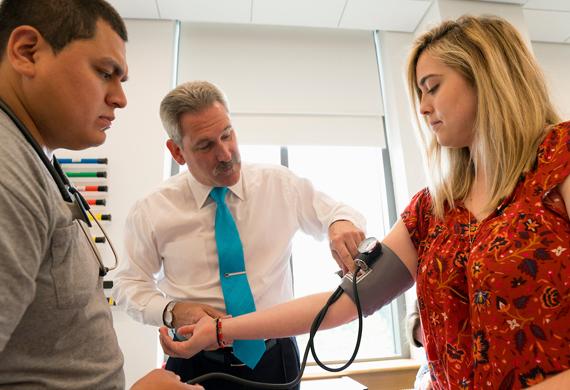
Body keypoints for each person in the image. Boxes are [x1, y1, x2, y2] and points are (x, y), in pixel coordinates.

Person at [158, 15, 570, 389]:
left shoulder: (560, 158)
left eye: (432, 88)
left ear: (488, 77)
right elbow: (339, 306)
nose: (423, 108)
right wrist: (219, 332)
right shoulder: (434, 209)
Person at [112, 80, 366, 388]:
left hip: (276, 358)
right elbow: (127, 286)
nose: (225, 154)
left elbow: (339, 211)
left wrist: (339, 223)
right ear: (177, 151)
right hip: (195, 362)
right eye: (206, 145)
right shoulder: (152, 210)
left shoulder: (278, 185)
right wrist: (171, 311)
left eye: (227, 134)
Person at [0, 0, 200, 388]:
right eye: (105, 73)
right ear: (27, 52)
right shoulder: (9, 176)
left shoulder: (33, 161)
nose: (120, 98)